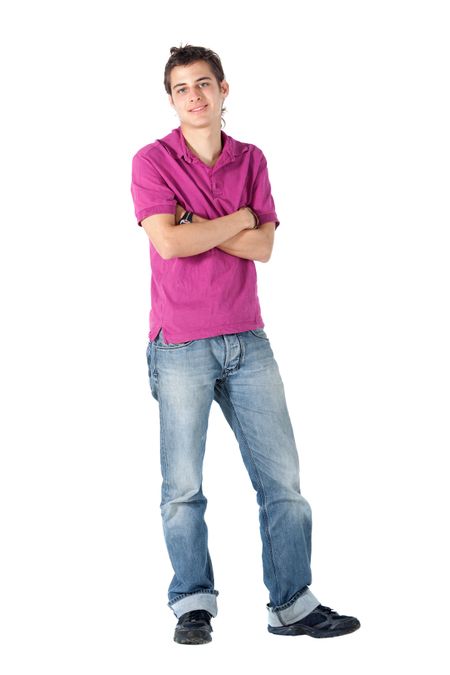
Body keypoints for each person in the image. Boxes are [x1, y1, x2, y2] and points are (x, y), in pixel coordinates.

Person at [130, 44, 360, 645]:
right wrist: (237, 219)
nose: (195, 97)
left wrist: (204, 223)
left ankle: (291, 604)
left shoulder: (252, 158)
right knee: (182, 489)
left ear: (224, 89)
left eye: (204, 84)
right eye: (182, 89)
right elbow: (170, 245)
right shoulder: (151, 160)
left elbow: (264, 248)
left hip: (248, 340)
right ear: (172, 99)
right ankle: (193, 603)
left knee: (283, 482)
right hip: (180, 343)